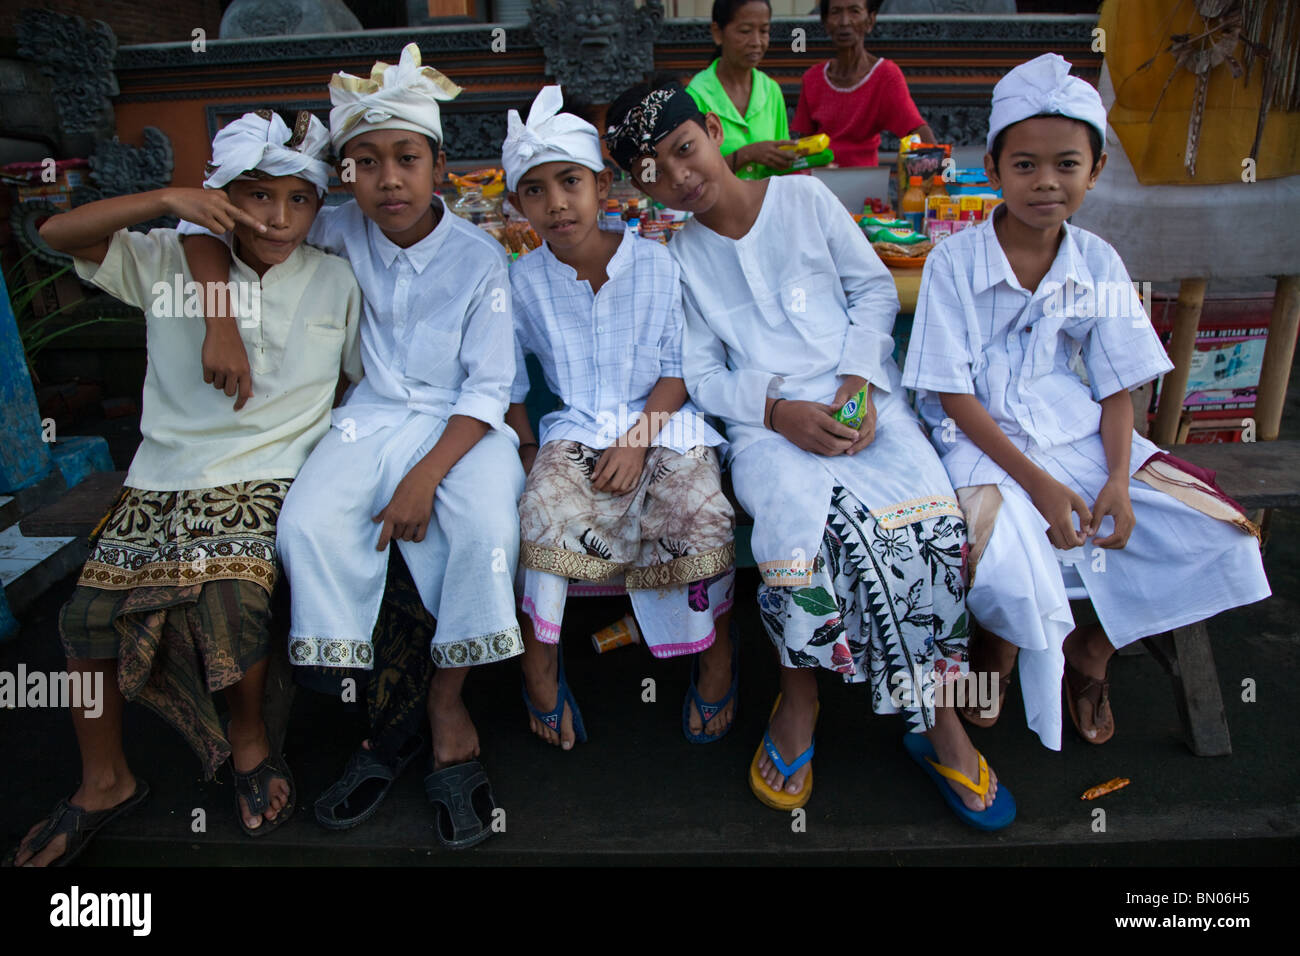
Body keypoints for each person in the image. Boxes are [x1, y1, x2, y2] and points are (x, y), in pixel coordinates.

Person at [605, 76, 1015, 830]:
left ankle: (939, 718)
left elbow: (874, 293)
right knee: (796, 540)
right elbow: (701, 374)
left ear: (715, 136)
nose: (678, 175)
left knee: (929, 529)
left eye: (684, 149)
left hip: (865, 403)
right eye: (652, 170)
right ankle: (800, 697)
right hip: (766, 427)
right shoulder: (676, 257)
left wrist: (856, 386)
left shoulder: (803, 199)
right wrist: (777, 410)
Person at [181, 44, 526, 849]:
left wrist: (423, 480)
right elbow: (207, 227)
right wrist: (219, 318)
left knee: (484, 531)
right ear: (346, 177)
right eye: (365, 163)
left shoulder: (481, 260)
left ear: (439, 165)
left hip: (461, 430)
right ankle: (350, 692)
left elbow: (487, 389)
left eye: (407, 159)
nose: (389, 180)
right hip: (366, 418)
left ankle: (445, 707)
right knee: (306, 524)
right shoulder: (332, 230)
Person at [6, 110, 363, 866]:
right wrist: (169, 201)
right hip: (162, 473)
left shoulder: (334, 276)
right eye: (257, 196)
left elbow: (363, 384)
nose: (278, 216)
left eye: (299, 199)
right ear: (220, 199)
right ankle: (104, 779)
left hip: (270, 473)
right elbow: (55, 236)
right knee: (86, 618)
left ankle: (248, 738)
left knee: (231, 596)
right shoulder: (169, 262)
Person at [901, 53, 1271, 749]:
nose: (1046, 182)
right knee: (1004, 564)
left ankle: (1092, 651)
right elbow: (953, 396)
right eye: (1025, 165)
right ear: (995, 167)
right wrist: (1040, 487)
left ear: (1094, 172)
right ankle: (998, 652)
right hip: (982, 447)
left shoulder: (1098, 261)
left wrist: (1120, 484)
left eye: (1067, 164)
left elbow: (1116, 388)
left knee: (1221, 539)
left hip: (1081, 438)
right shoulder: (954, 259)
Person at [500, 86, 738, 751]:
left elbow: (678, 370)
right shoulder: (521, 282)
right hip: (575, 428)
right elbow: (510, 383)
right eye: (535, 191)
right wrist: (525, 451)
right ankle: (540, 663)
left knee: (699, 507)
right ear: (518, 204)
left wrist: (637, 441)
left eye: (570, 182)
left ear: (603, 185)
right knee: (541, 507)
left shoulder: (659, 265)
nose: (556, 203)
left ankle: (714, 649)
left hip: (663, 424)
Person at [791, 0, 934, 166]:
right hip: (819, 184)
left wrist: (935, 175)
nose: (844, 21)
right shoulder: (812, 79)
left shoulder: (885, 75)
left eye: (854, 11)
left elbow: (916, 130)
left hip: (866, 185)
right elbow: (803, 147)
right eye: (836, 12)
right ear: (826, 23)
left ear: (870, 21)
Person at [686, 0, 795, 174]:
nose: (756, 42)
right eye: (745, 31)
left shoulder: (771, 90)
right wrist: (747, 154)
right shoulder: (696, 95)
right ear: (718, 33)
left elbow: (784, 168)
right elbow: (693, 173)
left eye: (764, 31)